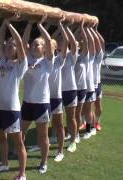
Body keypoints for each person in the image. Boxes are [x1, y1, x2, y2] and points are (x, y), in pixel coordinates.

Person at [0, 17, 27, 180]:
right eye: (7, 45)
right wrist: (4, 23)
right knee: (1, 138)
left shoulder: (20, 65)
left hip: (11, 110)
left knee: (18, 143)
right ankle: (4, 163)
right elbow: (0, 40)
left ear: (18, 49)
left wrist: (11, 25)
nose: (7, 46)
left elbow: (19, 42)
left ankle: (22, 174)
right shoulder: (4, 61)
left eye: (11, 45)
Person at [21, 15, 54, 174]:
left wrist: (40, 25)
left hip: (41, 104)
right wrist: (29, 24)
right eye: (33, 44)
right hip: (27, 103)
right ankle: (21, 156)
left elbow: (48, 41)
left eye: (38, 44)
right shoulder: (27, 58)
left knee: (42, 136)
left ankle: (43, 162)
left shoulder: (47, 62)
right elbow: (23, 42)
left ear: (44, 48)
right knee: (20, 133)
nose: (34, 45)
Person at [48, 18, 68, 162]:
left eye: (51, 46)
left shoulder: (59, 60)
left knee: (59, 124)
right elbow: (44, 38)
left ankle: (60, 151)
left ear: (55, 48)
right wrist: (45, 25)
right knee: (43, 126)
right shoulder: (42, 60)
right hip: (42, 98)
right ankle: (43, 144)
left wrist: (61, 25)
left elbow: (66, 42)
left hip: (56, 98)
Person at [61, 21, 79, 153]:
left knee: (70, 116)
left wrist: (66, 27)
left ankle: (73, 140)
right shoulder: (56, 56)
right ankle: (60, 136)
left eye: (63, 42)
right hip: (57, 92)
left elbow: (72, 42)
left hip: (70, 90)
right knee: (58, 118)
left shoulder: (71, 56)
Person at [74, 20, 89, 143]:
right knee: (71, 114)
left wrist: (83, 28)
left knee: (78, 113)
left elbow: (87, 43)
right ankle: (73, 132)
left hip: (82, 88)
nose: (77, 47)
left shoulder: (84, 57)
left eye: (78, 45)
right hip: (71, 88)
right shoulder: (68, 56)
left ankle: (78, 133)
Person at [82, 25, 97, 139]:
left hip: (89, 87)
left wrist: (87, 29)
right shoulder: (79, 56)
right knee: (83, 110)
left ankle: (90, 129)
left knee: (88, 110)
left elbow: (90, 41)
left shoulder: (90, 56)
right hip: (81, 87)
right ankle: (89, 127)